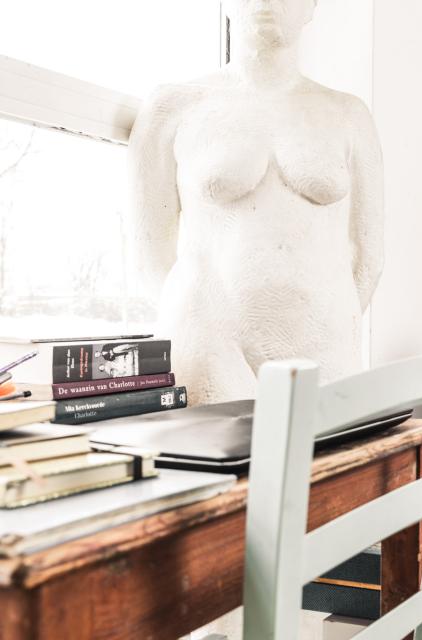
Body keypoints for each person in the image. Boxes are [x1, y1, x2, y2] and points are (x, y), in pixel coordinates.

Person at [127, 0, 383, 405]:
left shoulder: (348, 114)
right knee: (217, 463)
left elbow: (368, 256)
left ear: (312, 6)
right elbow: (148, 256)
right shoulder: (172, 107)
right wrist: (208, 320)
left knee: (336, 465)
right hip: (209, 338)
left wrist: (326, 316)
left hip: (325, 342)